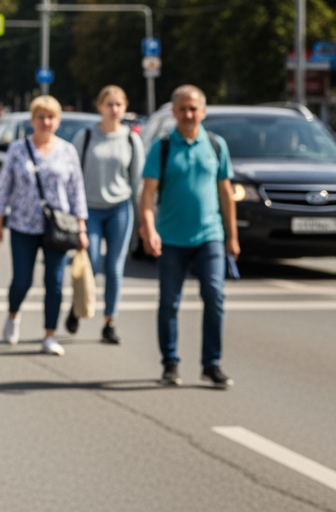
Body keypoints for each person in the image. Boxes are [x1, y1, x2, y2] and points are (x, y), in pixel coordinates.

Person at [139, 84, 237, 389]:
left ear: (203, 112)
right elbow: (148, 194)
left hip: (210, 236)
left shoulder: (216, 145)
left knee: (214, 296)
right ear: (174, 112)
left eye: (193, 108)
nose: (188, 114)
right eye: (182, 109)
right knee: (169, 302)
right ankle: (170, 363)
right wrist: (149, 228)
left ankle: (212, 364)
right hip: (170, 238)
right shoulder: (163, 146)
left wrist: (231, 237)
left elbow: (225, 193)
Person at [0, 95, 89, 356]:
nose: (46, 122)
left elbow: (76, 189)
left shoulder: (67, 151)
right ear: (33, 120)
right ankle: (13, 314)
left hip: (58, 226)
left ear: (58, 121)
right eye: (41, 117)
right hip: (23, 224)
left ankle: (49, 334)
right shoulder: (18, 150)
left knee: (54, 282)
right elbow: (3, 187)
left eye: (51, 117)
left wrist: (81, 226)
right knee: (22, 280)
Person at [69, 86, 144, 344]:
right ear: (100, 106)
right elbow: (73, 176)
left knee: (114, 266)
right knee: (90, 262)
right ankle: (78, 306)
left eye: (118, 105)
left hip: (119, 208)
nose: (114, 110)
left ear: (125, 107)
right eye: (109, 105)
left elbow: (137, 183)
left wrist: (143, 220)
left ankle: (109, 321)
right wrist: (74, 213)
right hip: (89, 208)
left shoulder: (131, 139)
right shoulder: (86, 136)